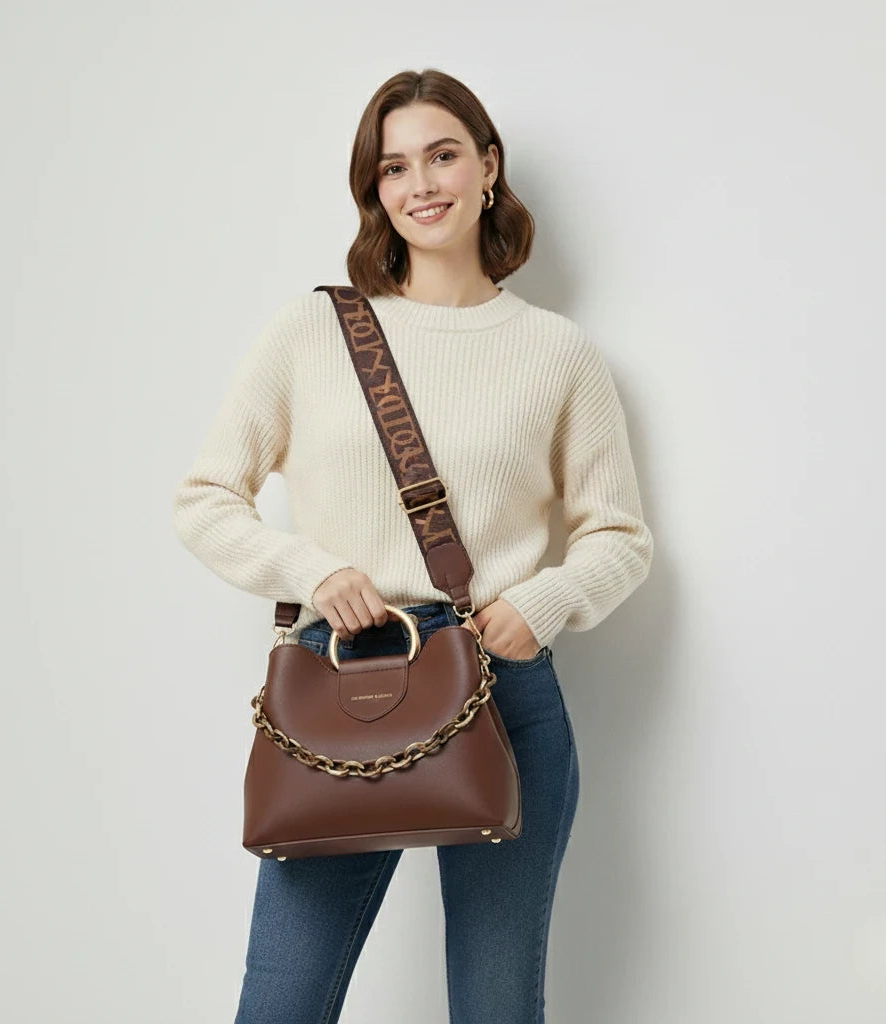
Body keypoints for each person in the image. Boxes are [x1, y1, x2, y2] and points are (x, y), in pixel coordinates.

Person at [172, 67, 654, 1024]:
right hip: (341, 678)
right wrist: (313, 571)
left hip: (501, 685)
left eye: (441, 155)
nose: (421, 185)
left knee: (495, 1006)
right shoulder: (316, 330)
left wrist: (541, 604)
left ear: (487, 167)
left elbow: (621, 537)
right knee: (281, 1001)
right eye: (393, 168)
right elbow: (204, 499)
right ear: (374, 191)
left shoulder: (559, 352)